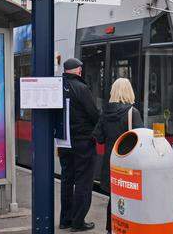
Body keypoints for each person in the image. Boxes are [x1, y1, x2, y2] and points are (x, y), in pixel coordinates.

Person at [93, 78, 143, 234]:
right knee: (129, 200)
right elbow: (141, 141)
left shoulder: (105, 112)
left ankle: (111, 229)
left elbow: (99, 138)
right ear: (129, 92)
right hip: (128, 164)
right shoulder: (132, 113)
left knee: (113, 198)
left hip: (110, 163)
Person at [59, 58, 100, 232]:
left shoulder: (58, 87)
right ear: (78, 71)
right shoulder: (81, 88)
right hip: (82, 142)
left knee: (67, 179)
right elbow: (93, 114)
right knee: (83, 181)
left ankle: (65, 219)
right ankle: (78, 222)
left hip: (63, 141)